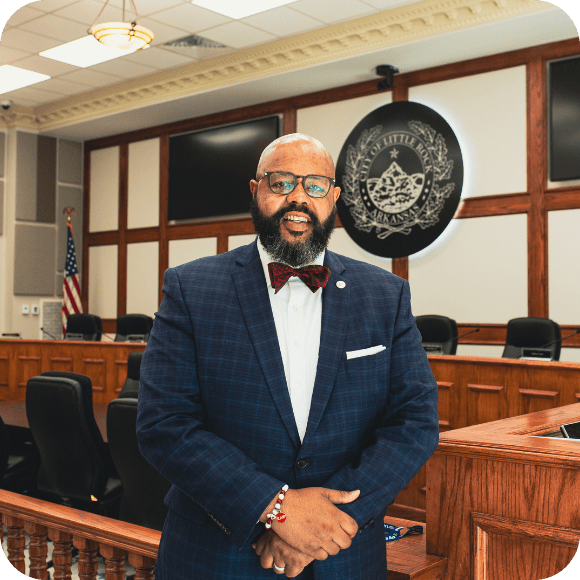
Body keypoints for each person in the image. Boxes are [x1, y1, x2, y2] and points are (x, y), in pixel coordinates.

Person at [136, 133, 439, 579]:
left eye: (315, 185)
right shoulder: (190, 288)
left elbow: (415, 421)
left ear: (333, 197)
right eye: (281, 182)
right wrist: (276, 508)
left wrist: (324, 522)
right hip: (216, 556)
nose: (298, 198)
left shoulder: (386, 295)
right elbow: (164, 423)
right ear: (255, 190)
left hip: (344, 555)